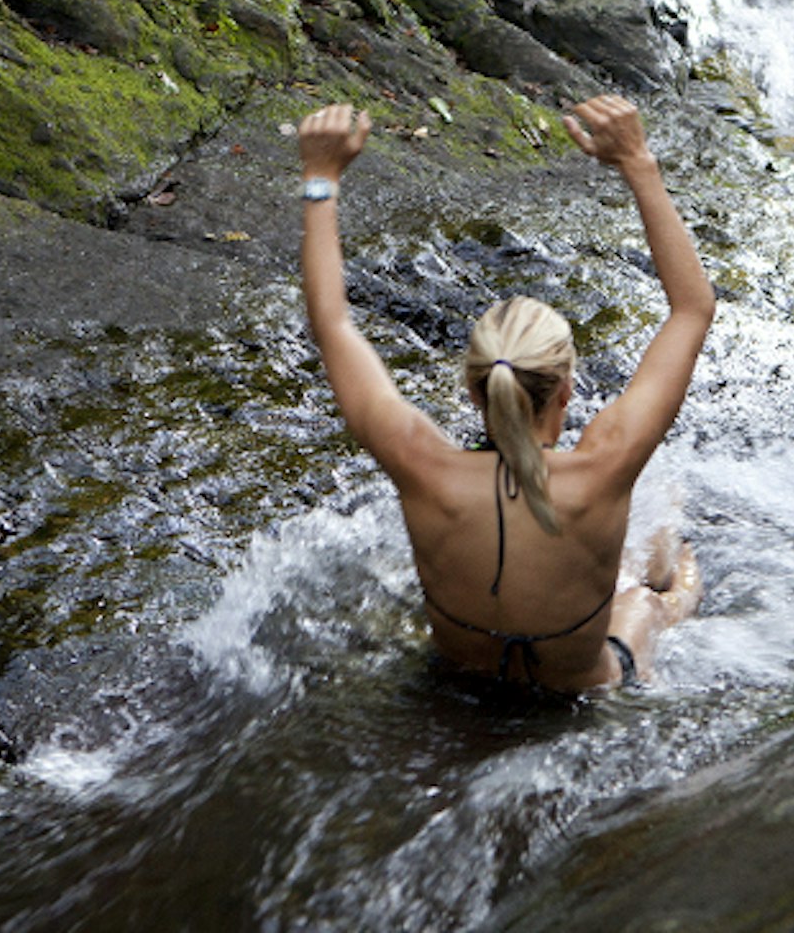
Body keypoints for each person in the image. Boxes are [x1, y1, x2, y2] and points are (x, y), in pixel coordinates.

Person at [296, 94, 713, 693]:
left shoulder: (422, 465)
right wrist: (638, 162)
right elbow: (693, 309)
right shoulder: (605, 464)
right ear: (567, 389)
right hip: (583, 687)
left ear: (472, 390)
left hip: (460, 679)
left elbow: (331, 321)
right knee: (658, 565)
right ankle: (678, 599)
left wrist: (320, 179)